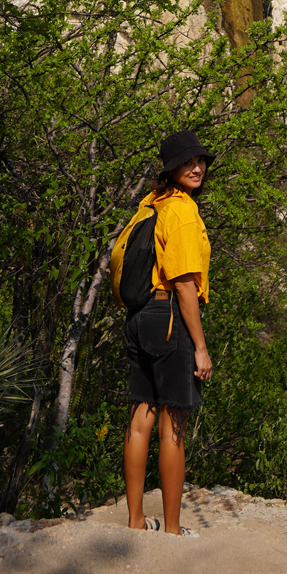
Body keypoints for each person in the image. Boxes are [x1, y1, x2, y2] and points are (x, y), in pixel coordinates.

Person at [122, 129, 214, 536]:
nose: (197, 167)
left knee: (141, 415)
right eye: (187, 162)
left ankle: (136, 521)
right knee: (172, 421)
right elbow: (183, 283)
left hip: (139, 317)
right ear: (171, 169)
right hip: (169, 317)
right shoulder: (183, 211)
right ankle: (173, 531)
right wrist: (200, 346)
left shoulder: (149, 204)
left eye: (200, 161)